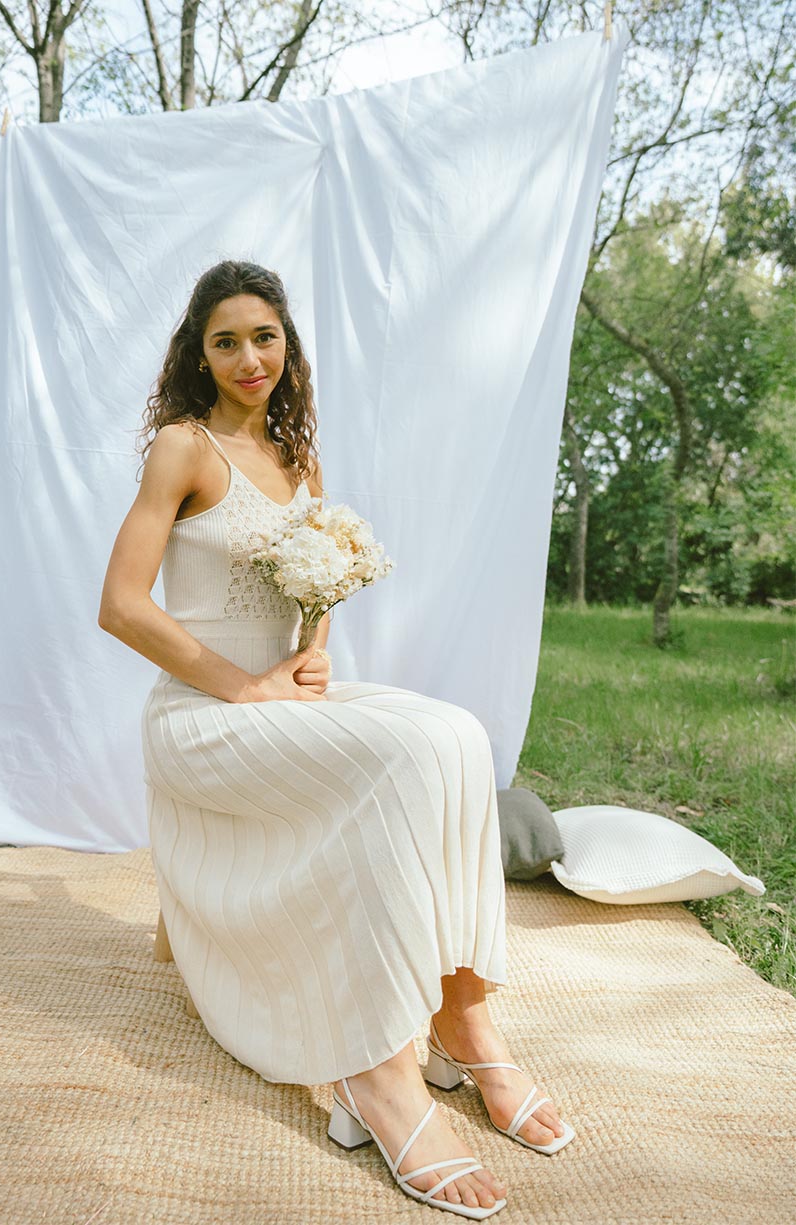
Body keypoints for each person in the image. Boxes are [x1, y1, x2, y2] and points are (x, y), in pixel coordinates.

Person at [98, 258, 573, 1219]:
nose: (248, 356)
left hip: (284, 697)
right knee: (398, 762)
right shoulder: (182, 449)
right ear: (198, 350)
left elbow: (317, 585)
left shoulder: (298, 456)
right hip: (202, 714)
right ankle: (375, 1072)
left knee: (457, 737)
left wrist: (313, 651)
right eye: (225, 339)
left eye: (264, 336)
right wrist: (243, 684)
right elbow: (118, 604)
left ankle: (464, 1017)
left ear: (289, 346)